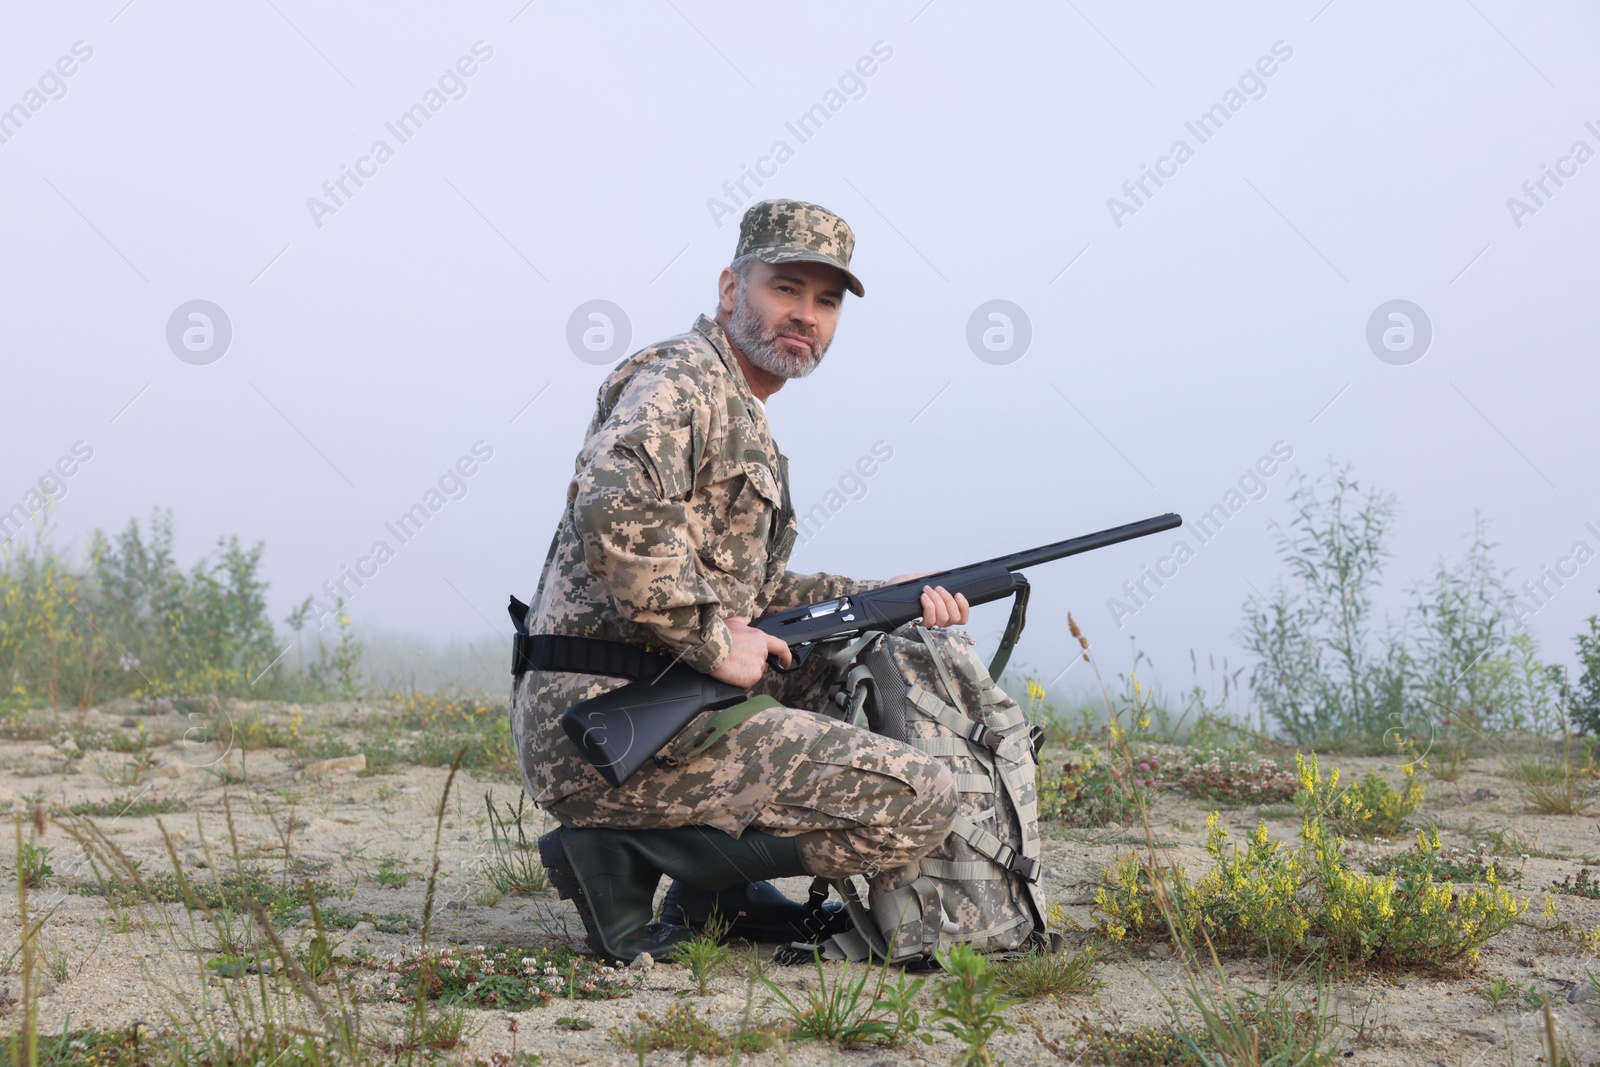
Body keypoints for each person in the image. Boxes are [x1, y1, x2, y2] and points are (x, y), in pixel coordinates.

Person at [514, 199, 968, 962]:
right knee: (920, 797)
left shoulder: (742, 411)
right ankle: (627, 850)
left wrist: (889, 594)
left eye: (825, 301)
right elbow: (611, 501)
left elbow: (757, 596)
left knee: (847, 666)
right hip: (606, 726)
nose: (806, 315)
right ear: (731, 289)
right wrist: (710, 637)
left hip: (654, 711)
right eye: (785, 288)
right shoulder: (682, 380)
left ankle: (711, 896)